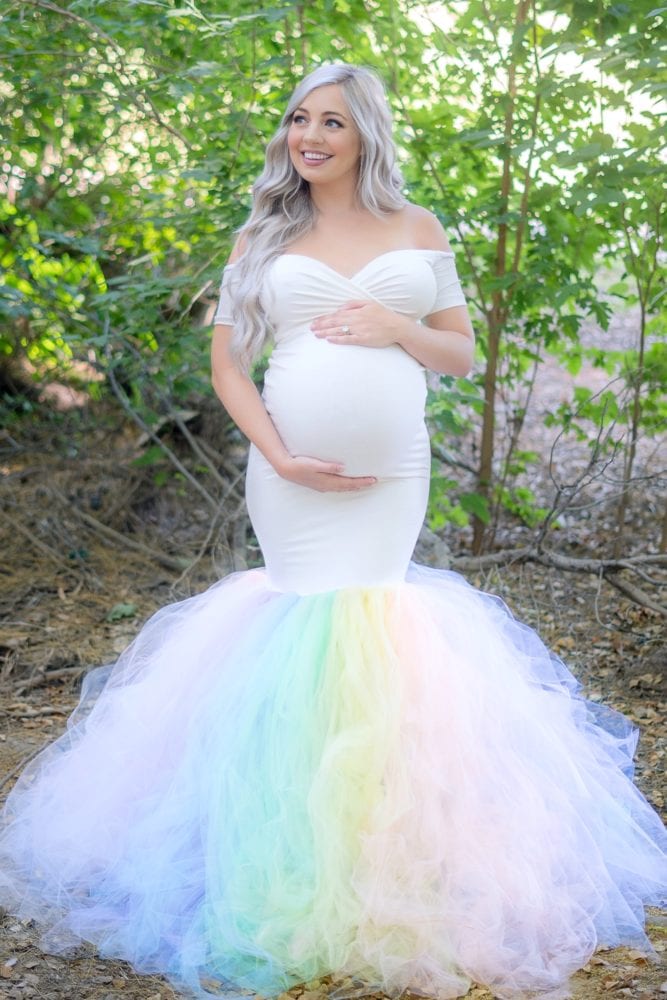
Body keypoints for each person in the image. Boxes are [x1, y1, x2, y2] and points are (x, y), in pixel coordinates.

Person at [0, 63, 664, 1000]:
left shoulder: (417, 227)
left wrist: (397, 324)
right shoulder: (263, 233)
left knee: (383, 642)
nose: (309, 136)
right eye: (299, 119)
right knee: (298, 639)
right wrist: (280, 457)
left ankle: (386, 872)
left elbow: (458, 354)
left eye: (332, 123)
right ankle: (279, 873)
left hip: (393, 480)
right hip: (291, 481)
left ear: (365, 137)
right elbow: (229, 368)